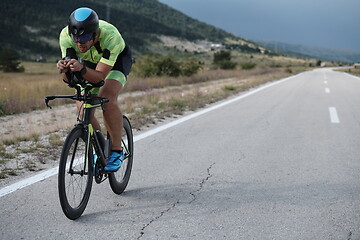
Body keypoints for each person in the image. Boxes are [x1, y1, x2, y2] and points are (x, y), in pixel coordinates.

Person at [56, 7, 132, 172]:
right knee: (81, 104)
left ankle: (117, 151)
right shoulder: (65, 36)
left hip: (116, 63)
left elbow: (99, 78)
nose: (79, 43)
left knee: (107, 98)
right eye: (75, 37)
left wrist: (81, 69)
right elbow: (70, 81)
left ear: (95, 34)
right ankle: (100, 145)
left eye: (84, 37)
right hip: (90, 63)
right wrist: (64, 70)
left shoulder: (110, 37)